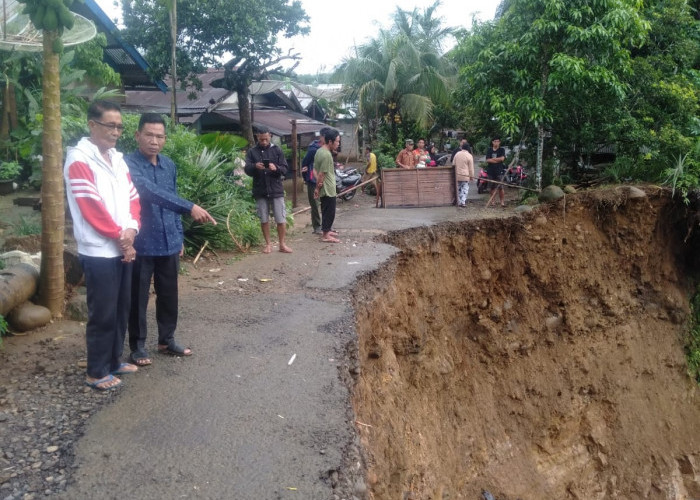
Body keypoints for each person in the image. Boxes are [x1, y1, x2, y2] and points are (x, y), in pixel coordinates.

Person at [125, 113, 217, 365]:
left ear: (165, 139)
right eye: (149, 135)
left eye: (159, 136)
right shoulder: (127, 164)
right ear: (137, 136)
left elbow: (170, 198)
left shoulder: (169, 165)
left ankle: (166, 340)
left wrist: (178, 236)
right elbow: (148, 192)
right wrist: (189, 207)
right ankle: (138, 346)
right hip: (141, 241)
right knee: (138, 297)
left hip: (168, 241)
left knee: (169, 294)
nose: (154, 141)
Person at [64, 100, 141, 391]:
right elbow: (89, 206)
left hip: (123, 245)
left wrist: (131, 229)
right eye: (110, 125)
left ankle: (113, 360)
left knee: (122, 308)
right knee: (103, 312)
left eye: (120, 126)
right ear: (92, 125)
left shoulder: (117, 159)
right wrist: (121, 237)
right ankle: (96, 371)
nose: (116, 132)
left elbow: (133, 198)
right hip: (99, 250)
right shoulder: (79, 159)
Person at [244, 126, 293, 253]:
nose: (264, 142)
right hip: (260, 190)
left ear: (270, 136)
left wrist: (275, 168)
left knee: (280, 219)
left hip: (276, 189)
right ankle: (268, 244)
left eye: (266, 139)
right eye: (261, 140)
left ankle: (282, 244)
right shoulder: (252, 152)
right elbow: (247, 169)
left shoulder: (277, 150)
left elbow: (285, 169)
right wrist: (255, 166)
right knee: (264, 219)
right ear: (257, 137)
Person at [314, 128, 341, 243]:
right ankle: (325, 235)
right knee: (329, 211)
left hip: (326, 186)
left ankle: (327, 230)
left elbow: (315, 170)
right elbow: (321, 174)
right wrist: (317, 188)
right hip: (328, 188)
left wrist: (318, 186)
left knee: (326, 210)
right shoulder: (326, 155)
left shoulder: (319, 151)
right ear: (330, 142)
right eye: (337, 141)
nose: (338, 144)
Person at [301, 127, 330, 235]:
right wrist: (306, 178)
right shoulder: (313, 149)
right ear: (321, 137)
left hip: (325, 180)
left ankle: (326, 226)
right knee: (315, 205)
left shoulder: (328, 149)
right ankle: (317, 226)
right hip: (313, 180)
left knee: (326, 203)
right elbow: (304, 164)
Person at [485, 136, 507, 207]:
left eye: (498, 141)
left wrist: (493, 159)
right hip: (491, 171)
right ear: (492, 142)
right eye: (495, 141)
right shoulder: (489, 150)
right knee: (492, 187)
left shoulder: (502, 150)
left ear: (499, 142)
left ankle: (502, 202)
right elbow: (488, 160)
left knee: (501, 187)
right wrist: (497, 160)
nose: (496, 143)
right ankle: (493, 201)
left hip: (499, 171)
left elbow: (502, 159)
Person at [453, 141, 475, 207]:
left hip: (457, 174)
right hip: (465, 175)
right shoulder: (469, 156)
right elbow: (471, 168)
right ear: (468, 148)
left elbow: (453, 164)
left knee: (458, 188)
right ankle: (463, 202)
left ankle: (458, 201)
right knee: (465, 188)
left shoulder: (457, 154)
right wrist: (472, 176)